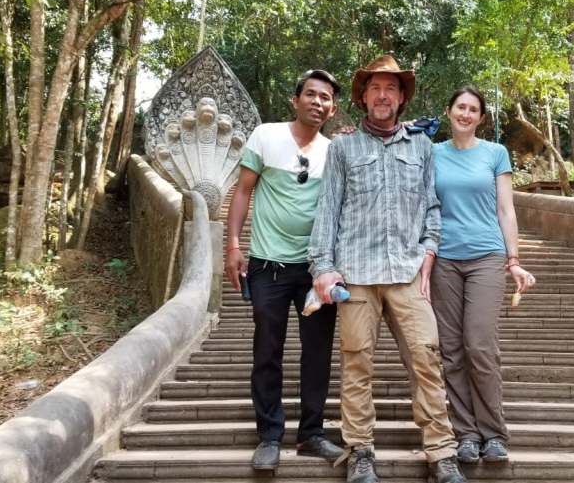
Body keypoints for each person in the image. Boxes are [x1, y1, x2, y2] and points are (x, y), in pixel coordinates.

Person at [309, 55, 467, 483]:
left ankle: (441, 453)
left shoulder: (421, 147)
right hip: (356, 275)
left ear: (401, 98)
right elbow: (328, 211)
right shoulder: (342, 148)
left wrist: (428, 253)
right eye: (375, 88)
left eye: (391, 89)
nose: (383, 95)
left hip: (407, 273)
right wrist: (323, 267)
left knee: (426, 357)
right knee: (357, 364)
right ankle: (360, 450)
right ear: (363, 97)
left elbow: (432, 208)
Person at [224, 69, 345, 470]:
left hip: (315, 270)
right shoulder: (266, 136)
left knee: (318, 352)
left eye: (325, 98)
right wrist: (234, 245)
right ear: (296, 100)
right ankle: (269, 436)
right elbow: (243, 191)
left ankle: (311, 434)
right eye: (311, 94)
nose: (318, 102)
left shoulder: (334, 151)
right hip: (268, 266)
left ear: (333, 109)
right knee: (267, 349)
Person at [430, 86, 535, 464]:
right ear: (449, 111)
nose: (466, 114)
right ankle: (467, 434)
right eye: (460, 107)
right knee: (451, 350)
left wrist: (514, 259)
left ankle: (493, 433)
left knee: (479, 345)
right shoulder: (432, 153)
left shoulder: (495, 153)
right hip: (444, 258)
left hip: (486, 257)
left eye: (473, 109)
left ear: (481, 117)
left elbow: (506, 210)